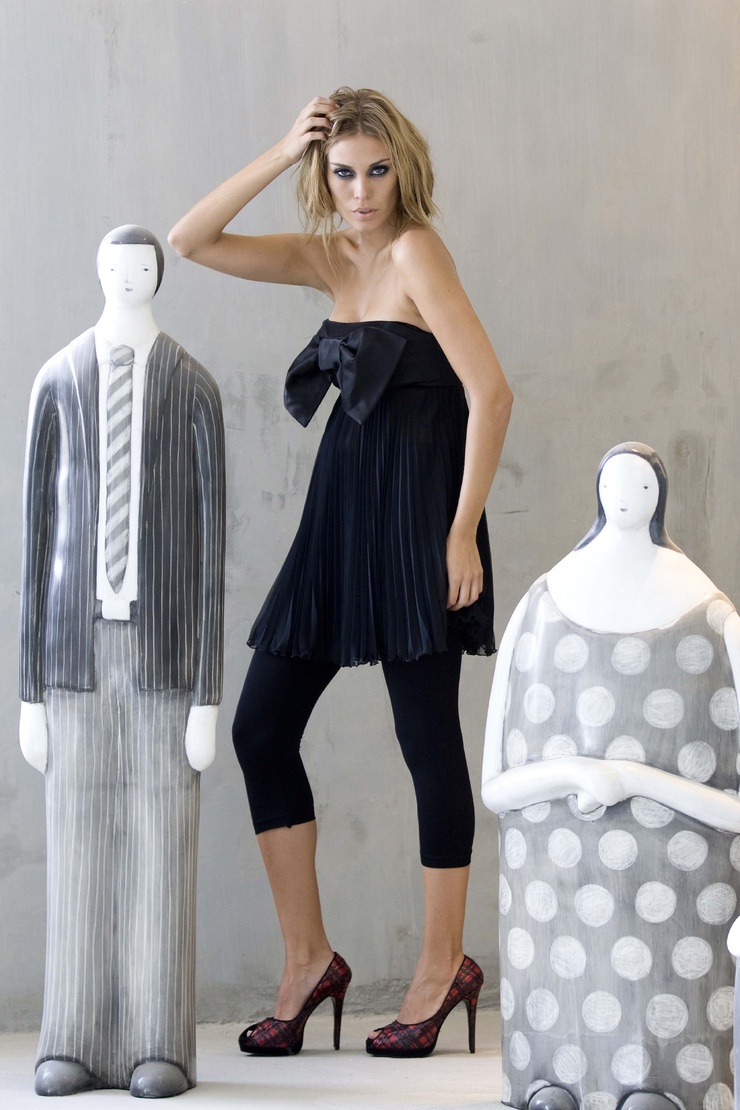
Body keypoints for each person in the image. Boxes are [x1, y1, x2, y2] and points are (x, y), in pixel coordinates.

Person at [169, 87, 512, 1058]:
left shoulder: (415, 253)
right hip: (336, 528)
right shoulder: (328, 257)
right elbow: (190, 239)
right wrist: (286, 149)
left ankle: (441, 967)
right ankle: (308, 959)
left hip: (418, 529)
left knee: (425, 740)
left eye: (377, 171)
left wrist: (459, 536)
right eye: (343, 173)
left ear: (404, 170)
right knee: (260, 728)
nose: (361, 191)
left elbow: (490, 393)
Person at [19, 226, 225, 1097]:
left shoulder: (192, 387)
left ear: (157, 276)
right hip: (73, 654)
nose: (130, 275)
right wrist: (28, 691)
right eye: (118, 264)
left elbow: (212, 553)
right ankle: (71, 1034)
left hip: (163, 654)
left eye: (144, 265)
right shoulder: (58, 380)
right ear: (100, 271)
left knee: (162, 846)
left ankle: (157, 1041)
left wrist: (209, 693)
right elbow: (34, 543)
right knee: (77, 843)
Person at [482, 443, 740, 1110]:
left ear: (659, 497)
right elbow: (496, 786)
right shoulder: (539, 610)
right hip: (552, 886)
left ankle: (668, 1081)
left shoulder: (713, 620)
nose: (626, 496)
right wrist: (576, 771)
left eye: (640, 485)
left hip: (682, 890)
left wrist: (632, 778)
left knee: (672, 976)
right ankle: (552, 1077)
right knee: (560, 967)